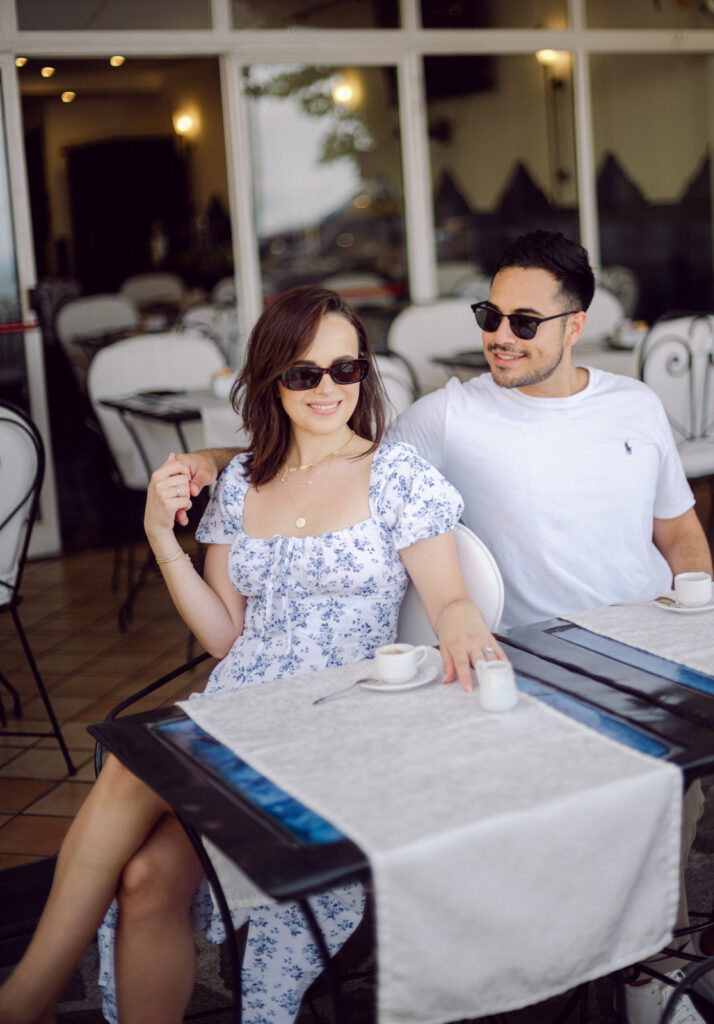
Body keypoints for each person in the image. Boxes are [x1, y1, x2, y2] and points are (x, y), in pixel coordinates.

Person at [179, 232, 714, 1024]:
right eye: (492, 314)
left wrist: (692, 600)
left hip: (661, 648)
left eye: (525, 321)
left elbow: (679, 533)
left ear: (575, 324)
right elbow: (324, 445)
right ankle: (650, 974)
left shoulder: (635, 406)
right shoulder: (445, 418)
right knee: (664, 791)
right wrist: (218, 460)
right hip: (549, 669)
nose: (500, 334)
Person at [0, 285, 504, 1024]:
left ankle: (22, 1000)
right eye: (304, 373)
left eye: (346, 368)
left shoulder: (396, 477)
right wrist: (161, 541)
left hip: (332, 719)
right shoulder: (242, 481)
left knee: (133, 763)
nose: (328, 388)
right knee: (144, 878)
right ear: (271, 377)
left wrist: (464, 626)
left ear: (364, 371)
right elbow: (225, 638)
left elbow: (450, 599)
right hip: (240, 706)